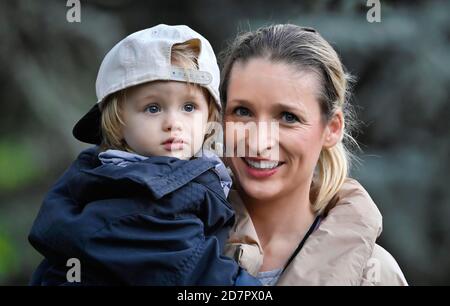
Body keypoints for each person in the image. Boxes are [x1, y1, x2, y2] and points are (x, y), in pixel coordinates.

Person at [28, 24, 260, 285]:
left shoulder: (184, 172)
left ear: (209, 117)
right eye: (152, 108)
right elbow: (198, 273)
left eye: (188, 106)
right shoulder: (144, 190)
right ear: (118, 122)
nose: (173, 122)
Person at [219, 24, 408, 285]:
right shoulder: (169, 244)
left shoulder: (375, 274)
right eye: (242, 111)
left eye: (288, 117)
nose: (258, 142)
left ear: (332, 128)